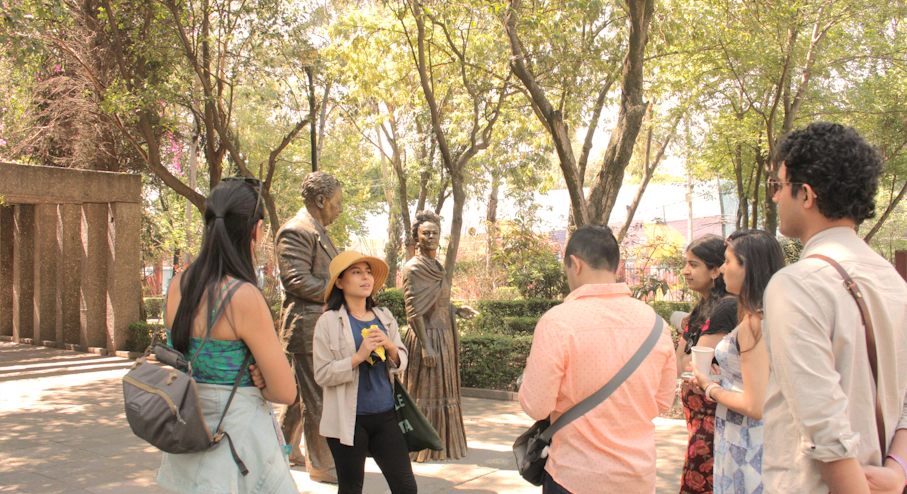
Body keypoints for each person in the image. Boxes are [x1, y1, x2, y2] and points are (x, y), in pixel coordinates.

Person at [761, 122, 907, 493]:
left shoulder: (795, 284)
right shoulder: (894, 282)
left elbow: (823, 427)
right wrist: (898, 469)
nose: (775, 198)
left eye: (778, 186)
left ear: (805, 194)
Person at [156, 178, 298, 493]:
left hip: (187, 432)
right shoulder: (242, 296)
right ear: (257, 230)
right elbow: (286, 392)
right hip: (236, 439)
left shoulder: (178, 285)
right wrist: (265, 379)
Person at [519, 225, 676, 494]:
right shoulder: (657, 326)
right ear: (617, 266)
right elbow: (662, 401)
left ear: (575, 264)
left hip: (574, 476)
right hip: (637, 478)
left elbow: (536, 406)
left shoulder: (557, 322)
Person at [312, 251, 417, 494]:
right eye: (356, 272)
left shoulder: (385, 317)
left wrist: (391, 347)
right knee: (350, 488)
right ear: (340, 282)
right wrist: (357, 357)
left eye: (368, 272)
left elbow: (401, 361)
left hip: (385, 415)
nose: (365, 277)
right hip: (346, 420)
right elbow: (322, 374)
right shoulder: (328, 322)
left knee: (406, 487)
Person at [690, 229, 784, 494]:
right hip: (751, 440)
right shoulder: (770, 315)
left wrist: (710, 386)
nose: (721, 269)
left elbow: (754, 405)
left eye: (728, 261)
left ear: (748, 268)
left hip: (747, 444)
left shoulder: (753, 323)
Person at [276, 171, 342, 483]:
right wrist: (340, 290)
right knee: (317, 397)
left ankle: (284, 448)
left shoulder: (319, 232)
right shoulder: (296, 231)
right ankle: (322, 465)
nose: (339, 209)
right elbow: (296, 280)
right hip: (306, 327)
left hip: (319, 326)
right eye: (336, 203)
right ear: (320, 200)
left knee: (299, 396)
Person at [401, 210, 477, 462]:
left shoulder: (436, 266)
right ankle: (422, 445)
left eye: (434, 232)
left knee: (445, 392)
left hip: (444, 336)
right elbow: (414, 311)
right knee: (426, 392)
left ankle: (444, 442)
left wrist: (455, 309)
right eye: (425, 233)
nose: (431, 237)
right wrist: (425, 346)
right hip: (428, 338)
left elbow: (434, 302)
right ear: (417, 238)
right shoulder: (413, 267)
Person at [676, 235, 737, 494]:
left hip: (715, 429)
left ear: (715, 270)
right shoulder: (700, 311)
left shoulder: (726, 309)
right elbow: (681, 366)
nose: (685, 271)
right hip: (699, 425)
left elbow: (691, 363)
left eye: (694, 264)